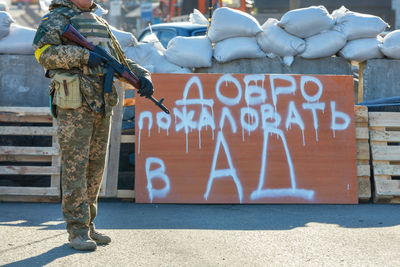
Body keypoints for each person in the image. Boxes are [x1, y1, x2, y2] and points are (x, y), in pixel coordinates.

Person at [32, 0, 154, 251]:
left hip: (102, 103)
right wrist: (84, 56)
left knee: (95, 168)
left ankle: (89, 225)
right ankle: (76, 230)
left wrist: (142, 76)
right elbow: (42, 53)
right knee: (75, 167)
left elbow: (117, 60)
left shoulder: (98, 21)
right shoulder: (57, 18)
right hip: (75, 104)